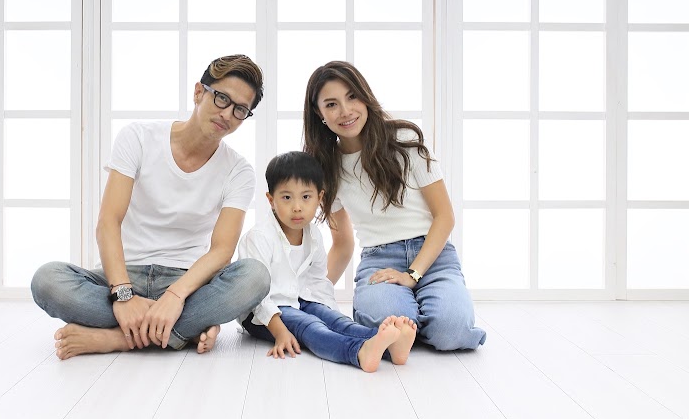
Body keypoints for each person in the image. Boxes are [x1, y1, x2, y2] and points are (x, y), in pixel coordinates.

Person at [31, 55, 271, 360]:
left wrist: (175, 296)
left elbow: (222, 251)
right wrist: (123, 295)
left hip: (187, 283)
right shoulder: (138, 138)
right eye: (221, 98)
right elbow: (108, 222)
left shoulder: (239, 171)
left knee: (255, 276)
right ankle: (181, 331)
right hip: (122, 274)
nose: (227, 114)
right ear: (199, 92)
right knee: (47, 281)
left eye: (240, 109)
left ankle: (119, 338)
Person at [303, 61, 486, 351]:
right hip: (379, 261)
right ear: (319, 113)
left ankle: (424, 318)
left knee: (451, 331)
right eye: (331, 104)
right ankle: (412, 319)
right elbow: (342, 244)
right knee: (394, 323)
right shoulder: (327, 167)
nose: (345, 111)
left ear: (365, 96)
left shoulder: (404, 141)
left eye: (352, 96)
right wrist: (311, 299)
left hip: (433, 256)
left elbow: (444, 217)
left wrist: (412, 275)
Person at [238, 151, 417, 372]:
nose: (297, 207)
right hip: (263, 315)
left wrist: (331, 313)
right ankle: (358, 353)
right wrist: (280, 331)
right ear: (271, 200)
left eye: (306, 197)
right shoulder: (259, 237)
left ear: (319, 198)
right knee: (310, 326)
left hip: (301, 300)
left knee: (338, 322)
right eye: (286, 198)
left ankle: (391, 346)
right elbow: (257, 297)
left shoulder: (313, 234)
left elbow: (318, 282)